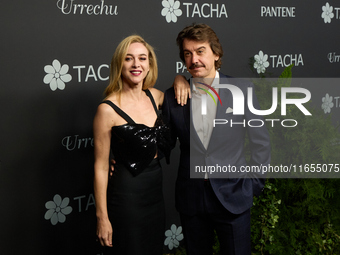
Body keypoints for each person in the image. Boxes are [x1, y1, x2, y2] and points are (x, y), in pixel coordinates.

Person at [162, 23, 271, 254]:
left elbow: (261, 142)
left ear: (216, 53)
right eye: (187, 54)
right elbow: (163, 145)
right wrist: (123, 161)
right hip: (191, 201)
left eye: (200, 51)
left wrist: (252, 186)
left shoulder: (242, 90)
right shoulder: (173, 97)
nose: (194, 60)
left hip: (233, 197)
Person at [93, 35, 171, 255]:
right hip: (127, 197)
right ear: (120, 64)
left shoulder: (156, 97)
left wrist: (180, 79)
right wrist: (102, 218)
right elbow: (100, 167)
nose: (136, 64)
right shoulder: (107, 110)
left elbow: (185, 95)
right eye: (129, 59)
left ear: (149, 65)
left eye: (142, 58)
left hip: (155, 195)